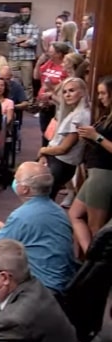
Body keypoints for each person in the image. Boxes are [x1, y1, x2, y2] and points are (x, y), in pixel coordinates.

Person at [0, 162, 76, 294]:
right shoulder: (57, 210)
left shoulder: (22, 216)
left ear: (24, 189)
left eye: (16, 178)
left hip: (42, 289)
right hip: (61, 282)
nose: (13, 181)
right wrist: (8, 228)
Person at [70, 76, 112, 254]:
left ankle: (96, 267)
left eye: (103, 93)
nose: (101, 97)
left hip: (104, 174)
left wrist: (96, 137)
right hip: (94, 173)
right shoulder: (107, 116)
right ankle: (90, 258)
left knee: (97, 228)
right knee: (75, 214)